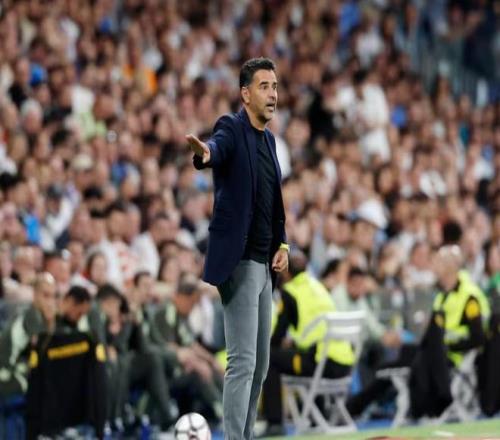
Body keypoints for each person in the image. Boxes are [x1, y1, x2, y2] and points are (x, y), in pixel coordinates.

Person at [186, 57, 289, 440]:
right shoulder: (232, 127)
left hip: (264, 264)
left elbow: (273, 200)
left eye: (275, 86)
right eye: (264, 86)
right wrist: (206, 154)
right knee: (242, 362)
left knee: (259, 367)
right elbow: (217, 148)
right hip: (241, 261)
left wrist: (283, 243)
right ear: (245, 94)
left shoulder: (270, 140)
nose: (273, 94)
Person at [261, 250, 354, 437]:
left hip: (322, 363)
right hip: (344, 363)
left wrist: (275, 344)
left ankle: (274, 424)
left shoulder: (290, 292)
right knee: (302, 355)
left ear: (286, 272)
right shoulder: (318, 286)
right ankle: (315, 417)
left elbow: (278, 336)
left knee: (269, 358)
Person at [0, 272, 57, 397]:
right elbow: (45, 350)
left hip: (18, 367)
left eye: (53, 296)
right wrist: (50, 322)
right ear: (35, 294)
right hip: (7, 372)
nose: (50, 301)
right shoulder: (32, 315)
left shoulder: (37, 313)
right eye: (46, 295)